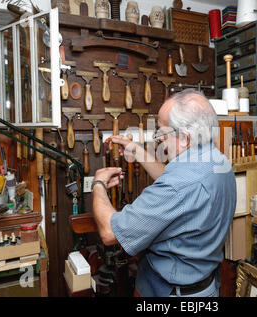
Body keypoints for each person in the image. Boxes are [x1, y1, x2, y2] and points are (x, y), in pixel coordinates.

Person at [92, 89, 236, 297]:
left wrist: (98, 184)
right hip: (205, 287)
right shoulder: (218, 162)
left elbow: (109, 232)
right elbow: (178, 189)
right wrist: (136, 150)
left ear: (185, 138)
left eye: (162, 132)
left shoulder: (179, 185)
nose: (159, 139)